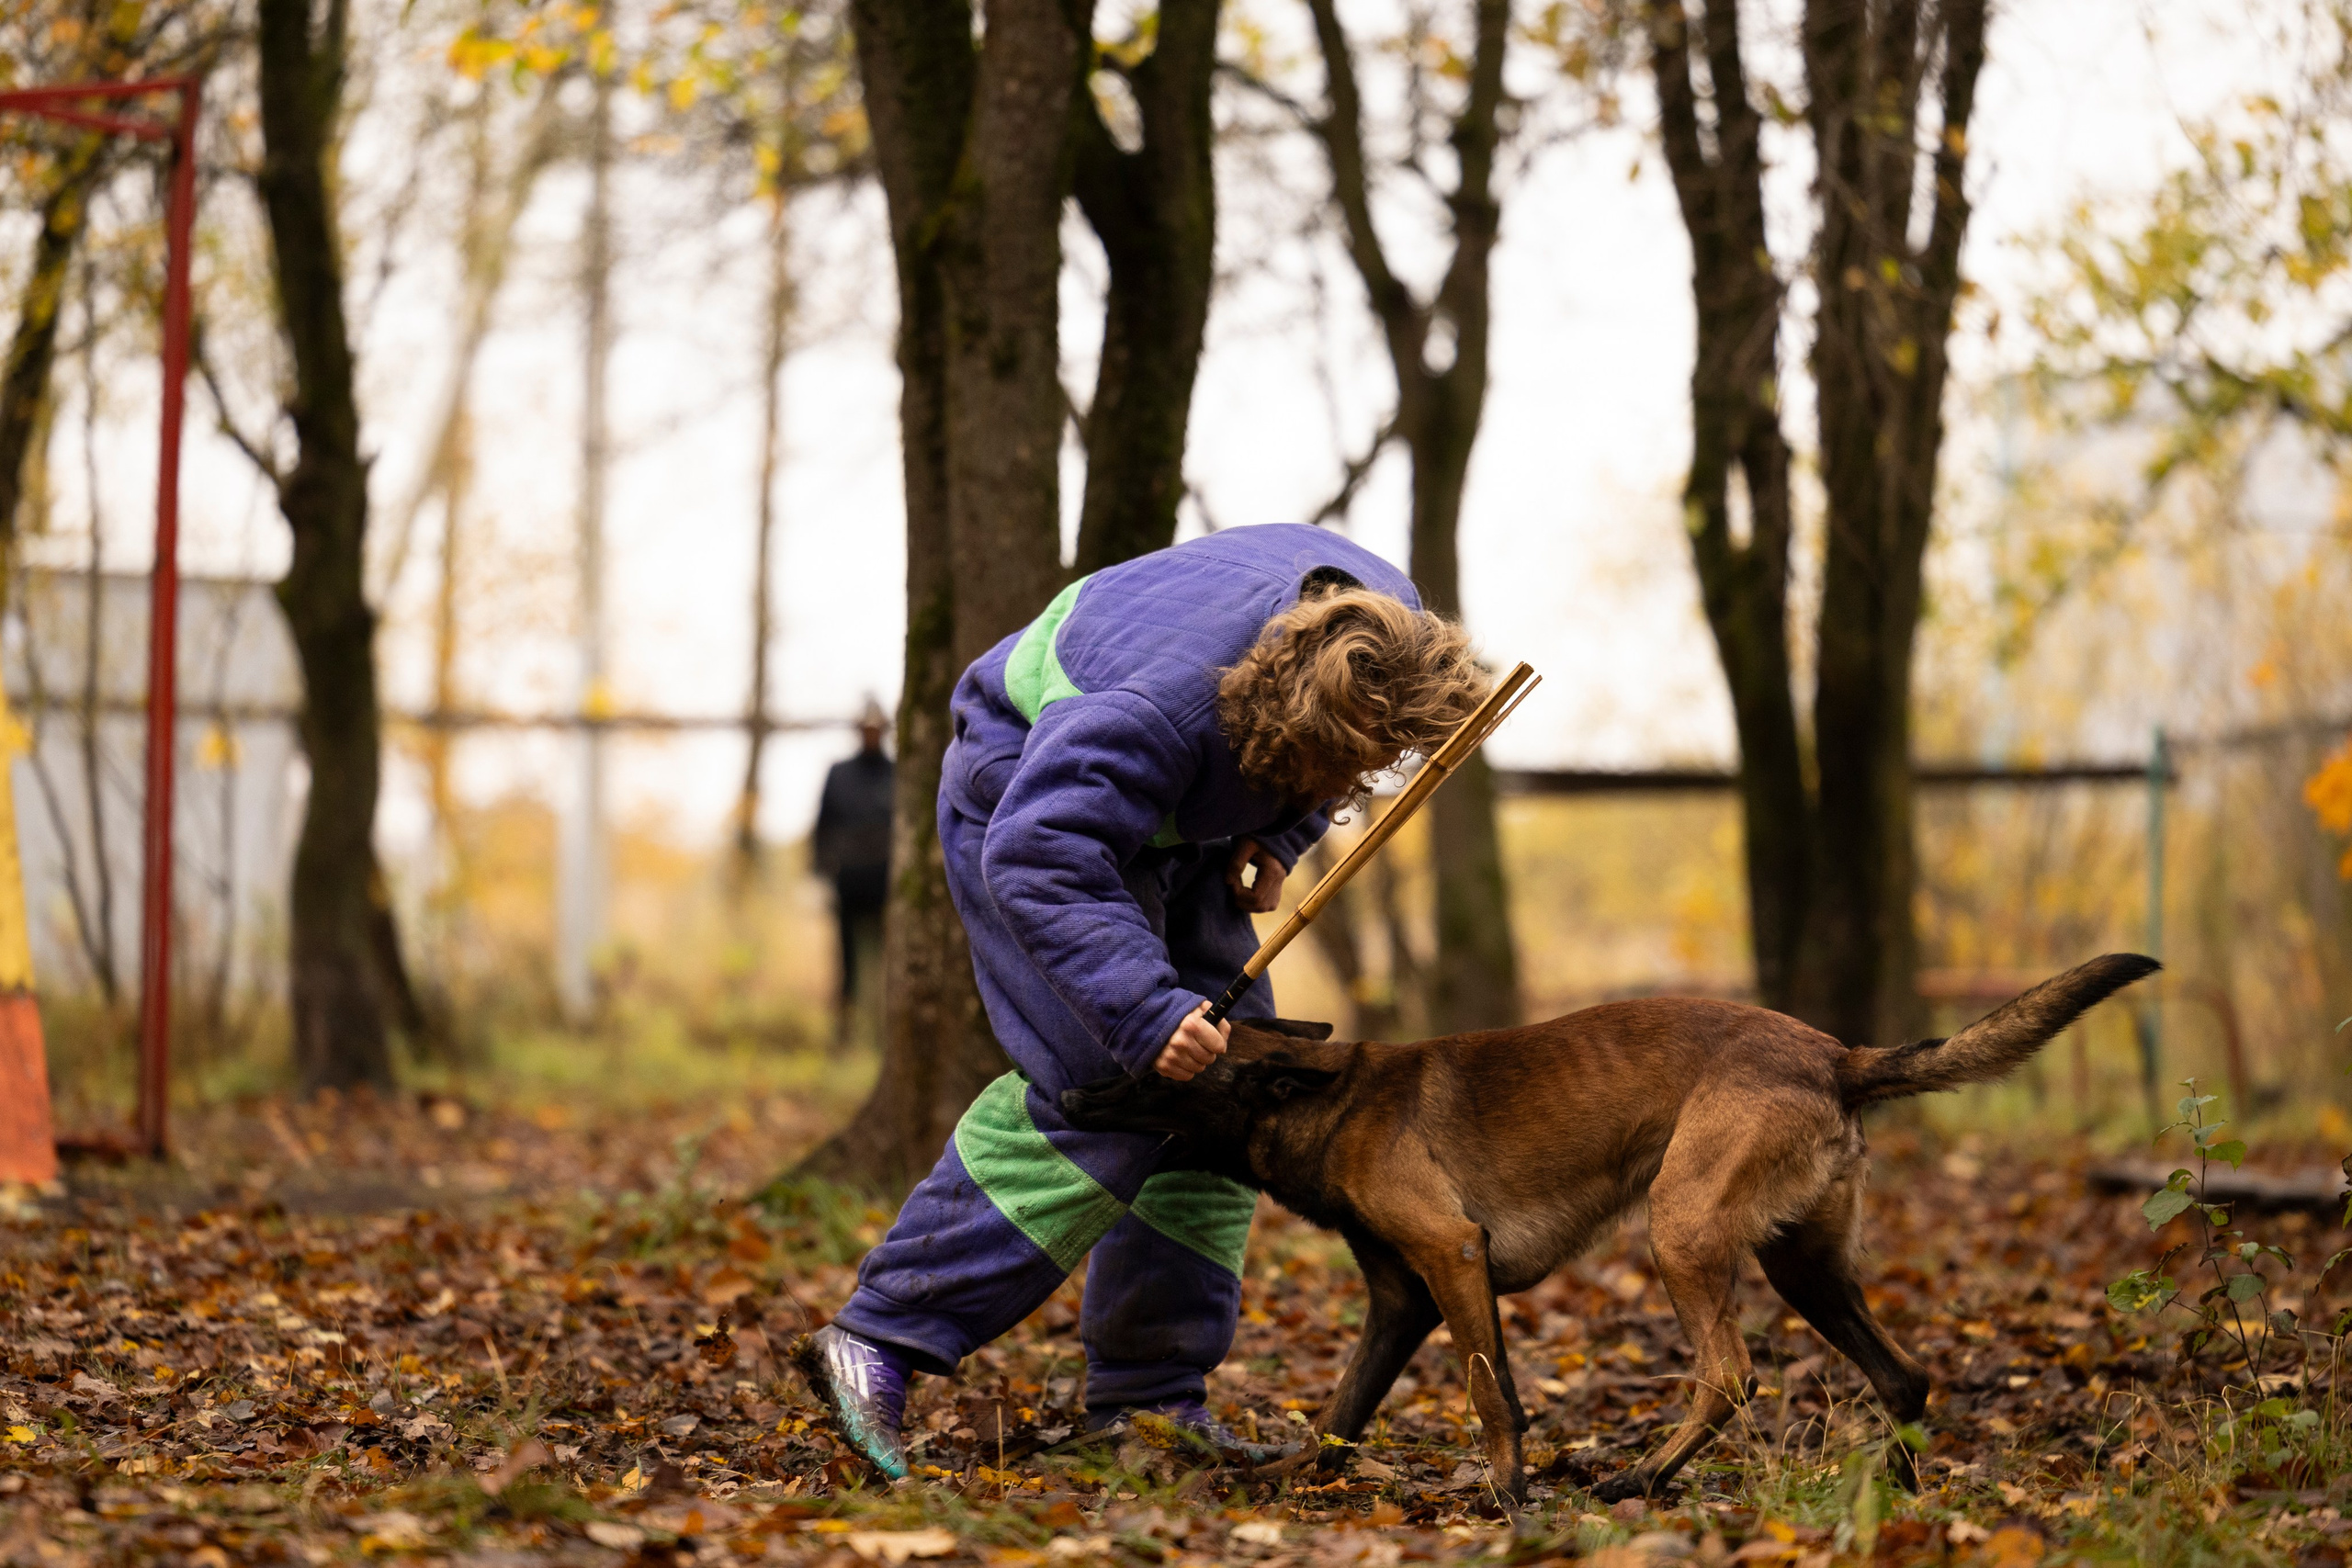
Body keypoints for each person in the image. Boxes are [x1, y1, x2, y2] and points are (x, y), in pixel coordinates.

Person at [795, 524, 1489, 1478]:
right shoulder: (1153, 716)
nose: (1345, 793)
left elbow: (1337, 742)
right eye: (1327, 775)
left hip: (1183, 804)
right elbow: (1040, 854)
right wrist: (1141, 1011)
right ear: (1280, 730)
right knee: (1114, 1090)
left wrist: (1282, 831)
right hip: (1030, 803)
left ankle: (1148, 1405)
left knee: (1232, 1093)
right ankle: (878, 1337)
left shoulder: (1385, 636)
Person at [811, 698, 894, 1044]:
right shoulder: (839, 774)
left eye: (877, 728)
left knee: (887, 965)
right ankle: (843, 1035)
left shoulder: (897, 773)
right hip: (847, 882)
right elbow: (822, 827)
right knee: (847, 965)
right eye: (866, 728)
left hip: (886, 886)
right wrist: (817, 876)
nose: (871, 734)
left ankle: (881, 1035)